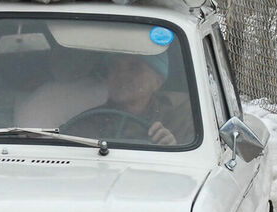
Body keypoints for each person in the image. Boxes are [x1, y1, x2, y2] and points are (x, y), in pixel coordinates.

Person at [64, 52, 195, 147]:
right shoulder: (89, 121)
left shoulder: (180, 117)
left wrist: (171, 148)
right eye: (114, 67)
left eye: (134, 67)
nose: (121, 74)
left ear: (157, 81)